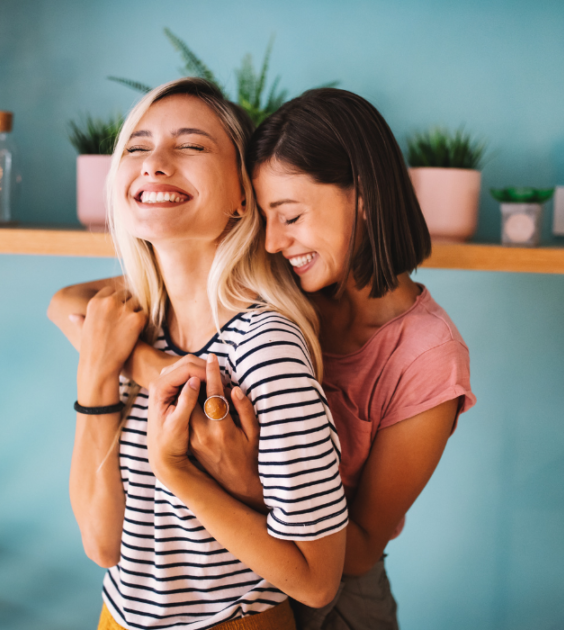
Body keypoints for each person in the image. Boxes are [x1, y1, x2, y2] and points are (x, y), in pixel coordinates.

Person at [55, 88, 475, 630]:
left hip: (340, 596)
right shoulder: (294, 280)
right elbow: (69, 305)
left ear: (363, 198)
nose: (271, 241)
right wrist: (166, 381)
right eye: (264, 214)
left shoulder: (425, 357)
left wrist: (232, 473)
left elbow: (358, 550)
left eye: (291, 216)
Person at [48, 77, 349, 630]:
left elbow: (316, 579)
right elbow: (101, 544)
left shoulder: (266, 348)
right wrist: (100, 373)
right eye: (136, 147)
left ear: (243, 193)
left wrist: (175, 467)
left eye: (190, 145)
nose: (154, 163)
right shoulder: (132, 325)